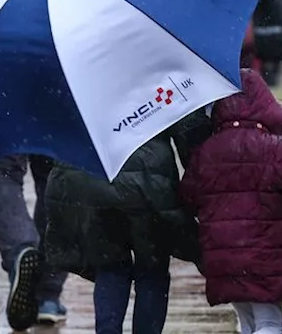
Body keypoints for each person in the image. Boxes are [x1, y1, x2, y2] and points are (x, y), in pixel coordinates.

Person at [179, 69, 282, 334]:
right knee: (269, 324)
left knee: (247, 322)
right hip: (263, 253)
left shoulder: (206, 152)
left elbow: (188, 195)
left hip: (223, 255)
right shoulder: (273, 148)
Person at [42, 111, 211, 334]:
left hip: (97, 180)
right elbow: (190, 133)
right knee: (152, 269)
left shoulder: (84, 78)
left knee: (111, 266)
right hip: (150, 188)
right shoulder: (158, 76)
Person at [0, 153, 68, 330]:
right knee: (57, 175)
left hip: (4, 124)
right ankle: (47, 293)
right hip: (61, 125)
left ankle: (20, 248)